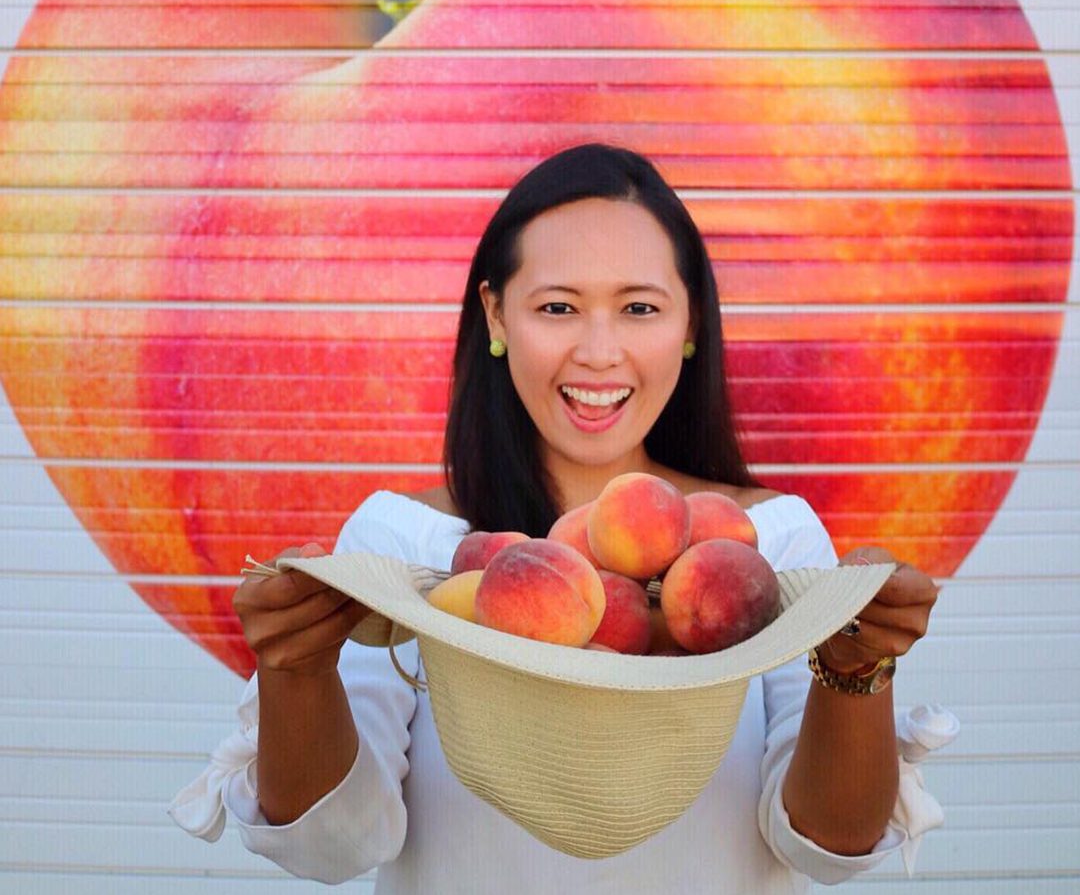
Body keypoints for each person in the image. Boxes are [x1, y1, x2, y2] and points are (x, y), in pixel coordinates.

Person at [168, 143, 957, 891]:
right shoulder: (404, 545)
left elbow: (828, 845)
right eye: (558, 307)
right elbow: (330, 847)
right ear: (498, 318)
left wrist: (861, 673)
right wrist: (294, 673)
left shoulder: (768, 545)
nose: (599, 351)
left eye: (640, 307)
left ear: (688, 326)